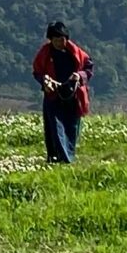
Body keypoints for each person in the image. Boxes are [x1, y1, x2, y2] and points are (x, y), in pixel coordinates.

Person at [31, 21, 92, 162]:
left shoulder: (76, 52)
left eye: (62, 39)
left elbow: (88, 68)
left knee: (71, 128)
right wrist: (44, 81)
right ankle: (60, 158)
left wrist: (79, 76)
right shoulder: (45, 53)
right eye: (56, 40)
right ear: (50, 40)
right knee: (55, 129)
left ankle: (68, 157)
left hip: (72, 95)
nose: (60, 43)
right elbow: (37, 72)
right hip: (54, 95)